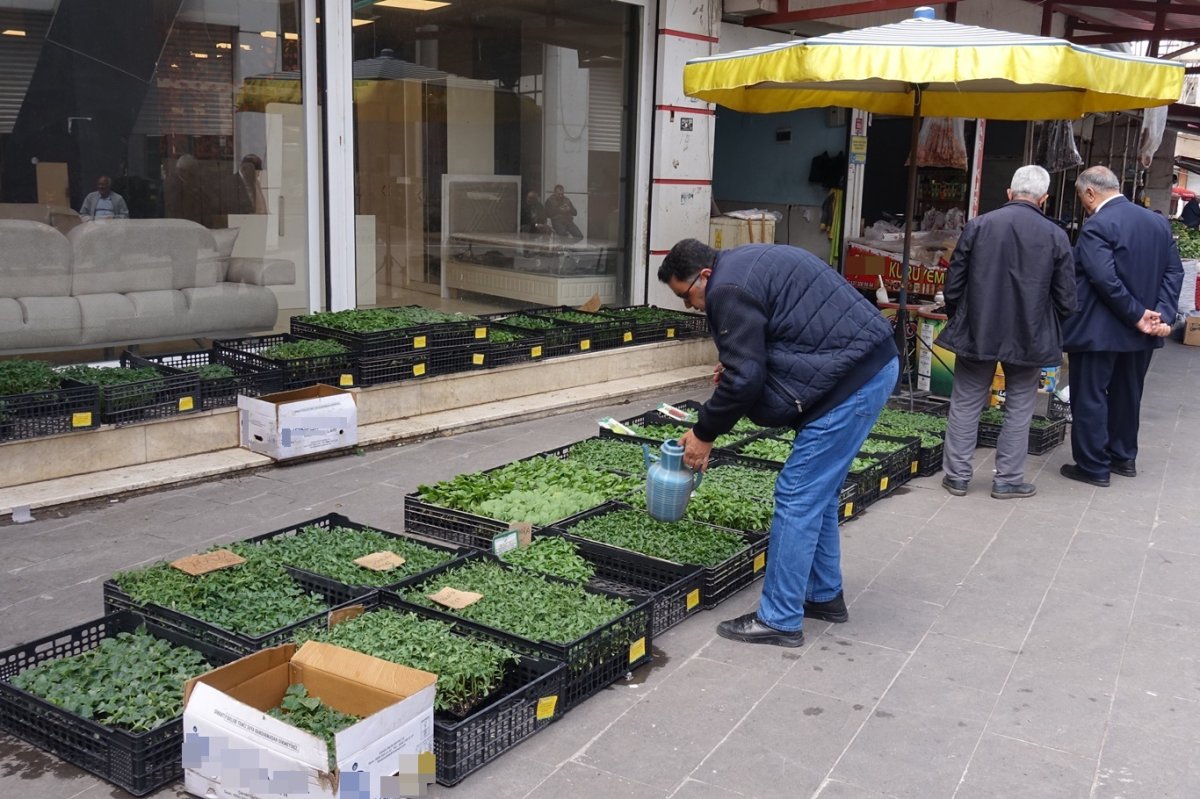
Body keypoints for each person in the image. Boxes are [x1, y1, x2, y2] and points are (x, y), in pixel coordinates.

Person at [662, 239, 898, 648]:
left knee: (796, 496)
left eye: (687, 296)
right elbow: (786, 328)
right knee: (817, 495)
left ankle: (780, 619)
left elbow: (745, 380)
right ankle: (823, 596)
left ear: (703, 276)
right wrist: (741, 358)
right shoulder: (743, 263)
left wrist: (704, 433)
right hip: (868, 366)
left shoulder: (725, 290)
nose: (692, 307)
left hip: (849, 384)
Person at [936, 165, 1076, 499]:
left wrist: (962, 317)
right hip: (1030, 334)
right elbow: (1067, 298)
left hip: (978, 329)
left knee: (966, 403)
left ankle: (956, 476)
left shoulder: (979, 225)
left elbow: (953, 285)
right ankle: (1008, 479)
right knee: (1020, 406)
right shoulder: (1056, 236)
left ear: (1009, 194)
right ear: (1044, 199)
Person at [1060, 165, 1182, 487]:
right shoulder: (1158, 223)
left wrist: (1136, 314)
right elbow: (1174, 273)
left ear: (1090, 192)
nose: (1083, 204)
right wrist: (1161, 315)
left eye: (1081, 197)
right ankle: (1123, 457)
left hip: (1099, 330)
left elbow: (1104, 279)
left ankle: (1093, 466)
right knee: (1129, 393)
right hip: (1144, 332)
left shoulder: (1098, 226)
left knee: (1090, 395)